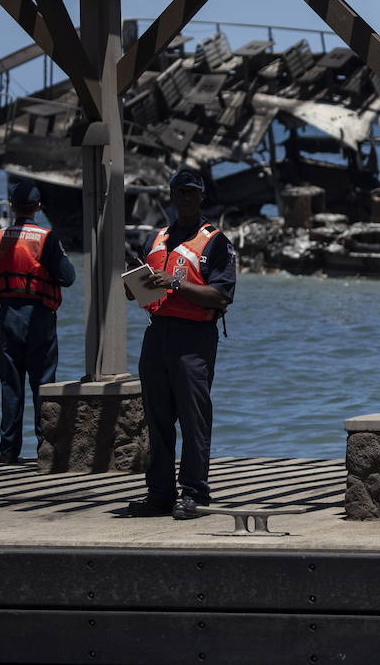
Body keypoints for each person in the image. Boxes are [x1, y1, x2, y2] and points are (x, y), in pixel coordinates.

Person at [127, 167, 236, 519]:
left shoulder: (216, 241)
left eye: (192, 192)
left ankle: (193, 493)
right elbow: (142, 291)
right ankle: (160, 493)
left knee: (193, 419)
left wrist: (175, 285)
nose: (185, 198)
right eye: (180, 192)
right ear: (171, 197)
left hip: (193, 338)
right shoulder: (156, 238)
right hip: (157, 333)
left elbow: (221, 296)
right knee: (157, 419)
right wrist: (135, 284)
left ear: (201, 196)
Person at [0, 181, 76, 464]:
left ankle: (8, 452)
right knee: (43, 384)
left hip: (9, 318)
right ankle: (46, 450)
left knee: (10, 385)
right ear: (38, 207)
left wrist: (9, 279)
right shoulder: (48, 239)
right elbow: (68, 278)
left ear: (11, 205)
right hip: (41, 317)